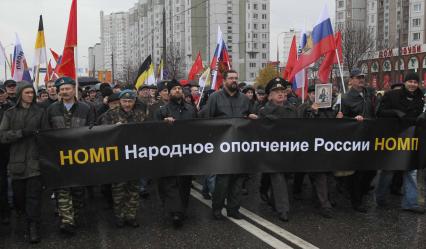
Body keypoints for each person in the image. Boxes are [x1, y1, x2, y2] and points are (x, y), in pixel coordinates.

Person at [43, 77, 95, 235]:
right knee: (62, 190)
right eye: (61, 89)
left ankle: (76, 216)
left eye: (67, 88)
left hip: (80, 156)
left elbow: (93, 129)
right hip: (59, 157)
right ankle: (67, 221)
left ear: (74, 89)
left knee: (78, 190)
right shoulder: (51, 109)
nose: (64, 92)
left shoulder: (86, 108)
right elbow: (46, 132)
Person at [204, 70, 255, 220]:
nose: (234, 80)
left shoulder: (245, 99)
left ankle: (233, 209)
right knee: (223, 179)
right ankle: (217, 208)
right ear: (224, 81)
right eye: (231, 78)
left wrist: (252, 117)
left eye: (236, 78)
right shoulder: (215, 98)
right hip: (222, 145)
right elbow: (208, 119)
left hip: (239, 145)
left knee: (238, 180)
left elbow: (250, 115)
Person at [0, 82, 44, 243]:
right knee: (19, 197)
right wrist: (20, 133)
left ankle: (34, 227)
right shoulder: (10, 113)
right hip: (16, 162)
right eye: (27, 93)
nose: (30, 95)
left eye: (31, 93)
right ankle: (24, 219)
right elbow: (2, 136)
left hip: (35, 161)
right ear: (20, 94)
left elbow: (47, 134)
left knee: (34, 197)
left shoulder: (40, 112)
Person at [376, 72, 425, 214]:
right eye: (410, 81)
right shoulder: (392, 95)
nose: (413, 84)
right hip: (393, 137)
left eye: (415, 82)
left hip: (411, 138)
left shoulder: (420, 97)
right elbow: (380, 112)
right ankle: (380, 197)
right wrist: (396, 112)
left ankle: (410, 203)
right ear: (405, 82)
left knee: (411, 170)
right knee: (389, 170)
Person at [100, 90, 146, 227]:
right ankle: (119, 216)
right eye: (124, 101)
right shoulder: (110, 115)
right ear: (120, 101)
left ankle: (131, 216)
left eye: (130, 101)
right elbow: (101, 133)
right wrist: (113, 129)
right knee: (118, 190)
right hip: (117, 158)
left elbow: (148, 132)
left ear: (134, 101)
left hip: (134, 157)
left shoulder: (140, 115)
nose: (127, 104)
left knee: (134, 189)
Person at [155, 80, 197, 228]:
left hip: (186, 152)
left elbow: (197, 128)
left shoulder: (191, 109)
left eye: (179, 88)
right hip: (168, 152)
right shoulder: (162, 110)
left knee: (185, 183)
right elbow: (152, 130)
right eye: (174, 89)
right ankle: (175, 213)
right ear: (169, 92)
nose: (178, 90)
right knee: (170, 183)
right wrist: (163, 123)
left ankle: (182, 210)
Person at [257, 78, 298, 222]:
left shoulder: (292, 109)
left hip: (288, 151)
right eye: (276, 92)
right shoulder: (264, 111)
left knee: (285, 178)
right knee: (278, 177)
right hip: (272, 152)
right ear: (270, 96)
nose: (281, 94)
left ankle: (267, 193)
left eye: (282, 91)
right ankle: (283, 210)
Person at [341, 68, 377, 213]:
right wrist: (352, 119)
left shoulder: (369, 94)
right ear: (351, 80)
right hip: (354, 138)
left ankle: (359, 192)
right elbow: (340, 119)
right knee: (356, 172)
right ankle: (356, 201)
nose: (361, 79)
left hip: (369, 136)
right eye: (357, 77)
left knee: (372, 170)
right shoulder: (345, 98)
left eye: (362, 77)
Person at [0, 84, 13, 226]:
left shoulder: (10, 109)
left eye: (1, 92)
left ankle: (5, 211)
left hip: (7, 149)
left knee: (4, 182)